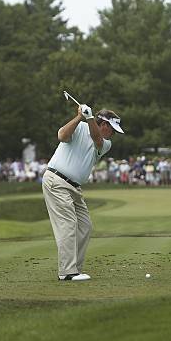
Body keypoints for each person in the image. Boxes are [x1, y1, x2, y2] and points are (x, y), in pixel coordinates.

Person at [42, 104, 123, 281]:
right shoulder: (79, 126)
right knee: (68, 224)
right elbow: (62, 135)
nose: (114, 134)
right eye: (113, 130)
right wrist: (80, 117)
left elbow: (97, 139)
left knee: (85, 226)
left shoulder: (105, 143)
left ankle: (75, 268)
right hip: (56, 180)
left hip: (75, 188)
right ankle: (67, 272)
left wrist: (89, 117)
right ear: (105, 125)